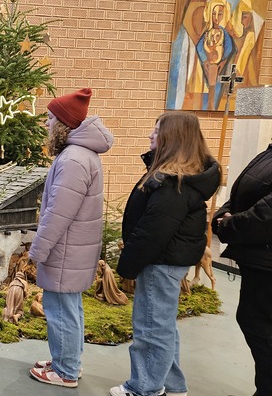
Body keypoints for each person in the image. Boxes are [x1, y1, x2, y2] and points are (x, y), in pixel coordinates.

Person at [111, 112, 220, 396]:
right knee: (162, 324)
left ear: (173, 139)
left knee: (150, 328)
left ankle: (145, 388)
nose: (150, 135)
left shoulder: (174, 183)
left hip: (160, 261)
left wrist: (128, 266)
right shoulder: (179, 177)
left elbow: (153, 232)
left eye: (157, 131)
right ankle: (172, 385)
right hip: (167, 260)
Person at [27, 88, 113, 388]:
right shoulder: (79, 154)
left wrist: (37, 251)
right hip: (72, 249)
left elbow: (57, 214)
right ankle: (69, 362)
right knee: (69, 308)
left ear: (64, 124)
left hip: (64, 250)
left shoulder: (73, 159)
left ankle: (65, 370)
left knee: (60, 310)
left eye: (50, 119)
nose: (46, 124)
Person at [212, 145, 272, 395]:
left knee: (262, 330)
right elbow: (239, 194)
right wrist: (224, 213)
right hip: (257, 261)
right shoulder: (267, 152)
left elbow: (265, 216)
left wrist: (227, 224)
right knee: (254, 324)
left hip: (266, 262)